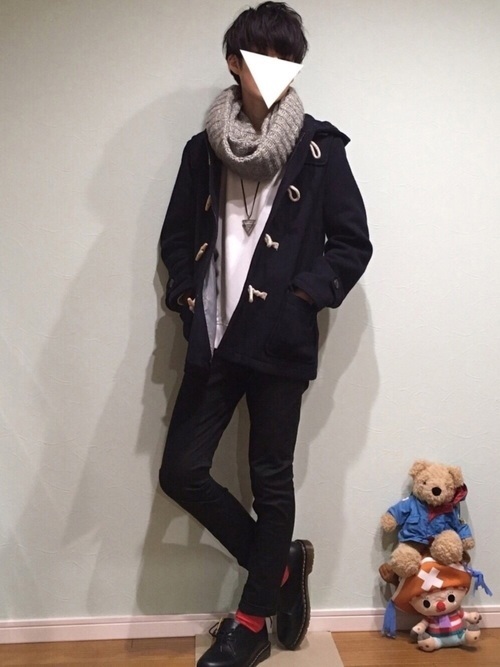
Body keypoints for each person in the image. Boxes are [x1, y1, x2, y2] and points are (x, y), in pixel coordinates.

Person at [158, 3, 372, 666]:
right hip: (215, 337)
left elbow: (352, 243)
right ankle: (278, 566)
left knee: (270, 480)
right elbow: (177, 237)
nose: (277, 69)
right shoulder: (203, 151)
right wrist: (187, 296)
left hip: (280, 343)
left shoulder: (320, 150)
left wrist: (302, 298)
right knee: (181, 471)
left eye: (289, 58)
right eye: (263, 57)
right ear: (234, 62)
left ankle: (250, 623)